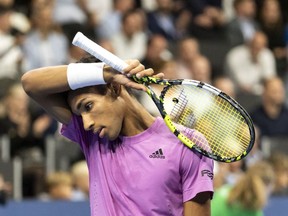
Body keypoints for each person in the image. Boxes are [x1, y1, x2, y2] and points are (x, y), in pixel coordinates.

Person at [21, 55, 214, 215]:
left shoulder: (188, 142)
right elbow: (30, 83)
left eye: (88, 106)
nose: (86, 123)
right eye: (81, 114)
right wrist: (106, 72)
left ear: (115, 88)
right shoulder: (93, 139)